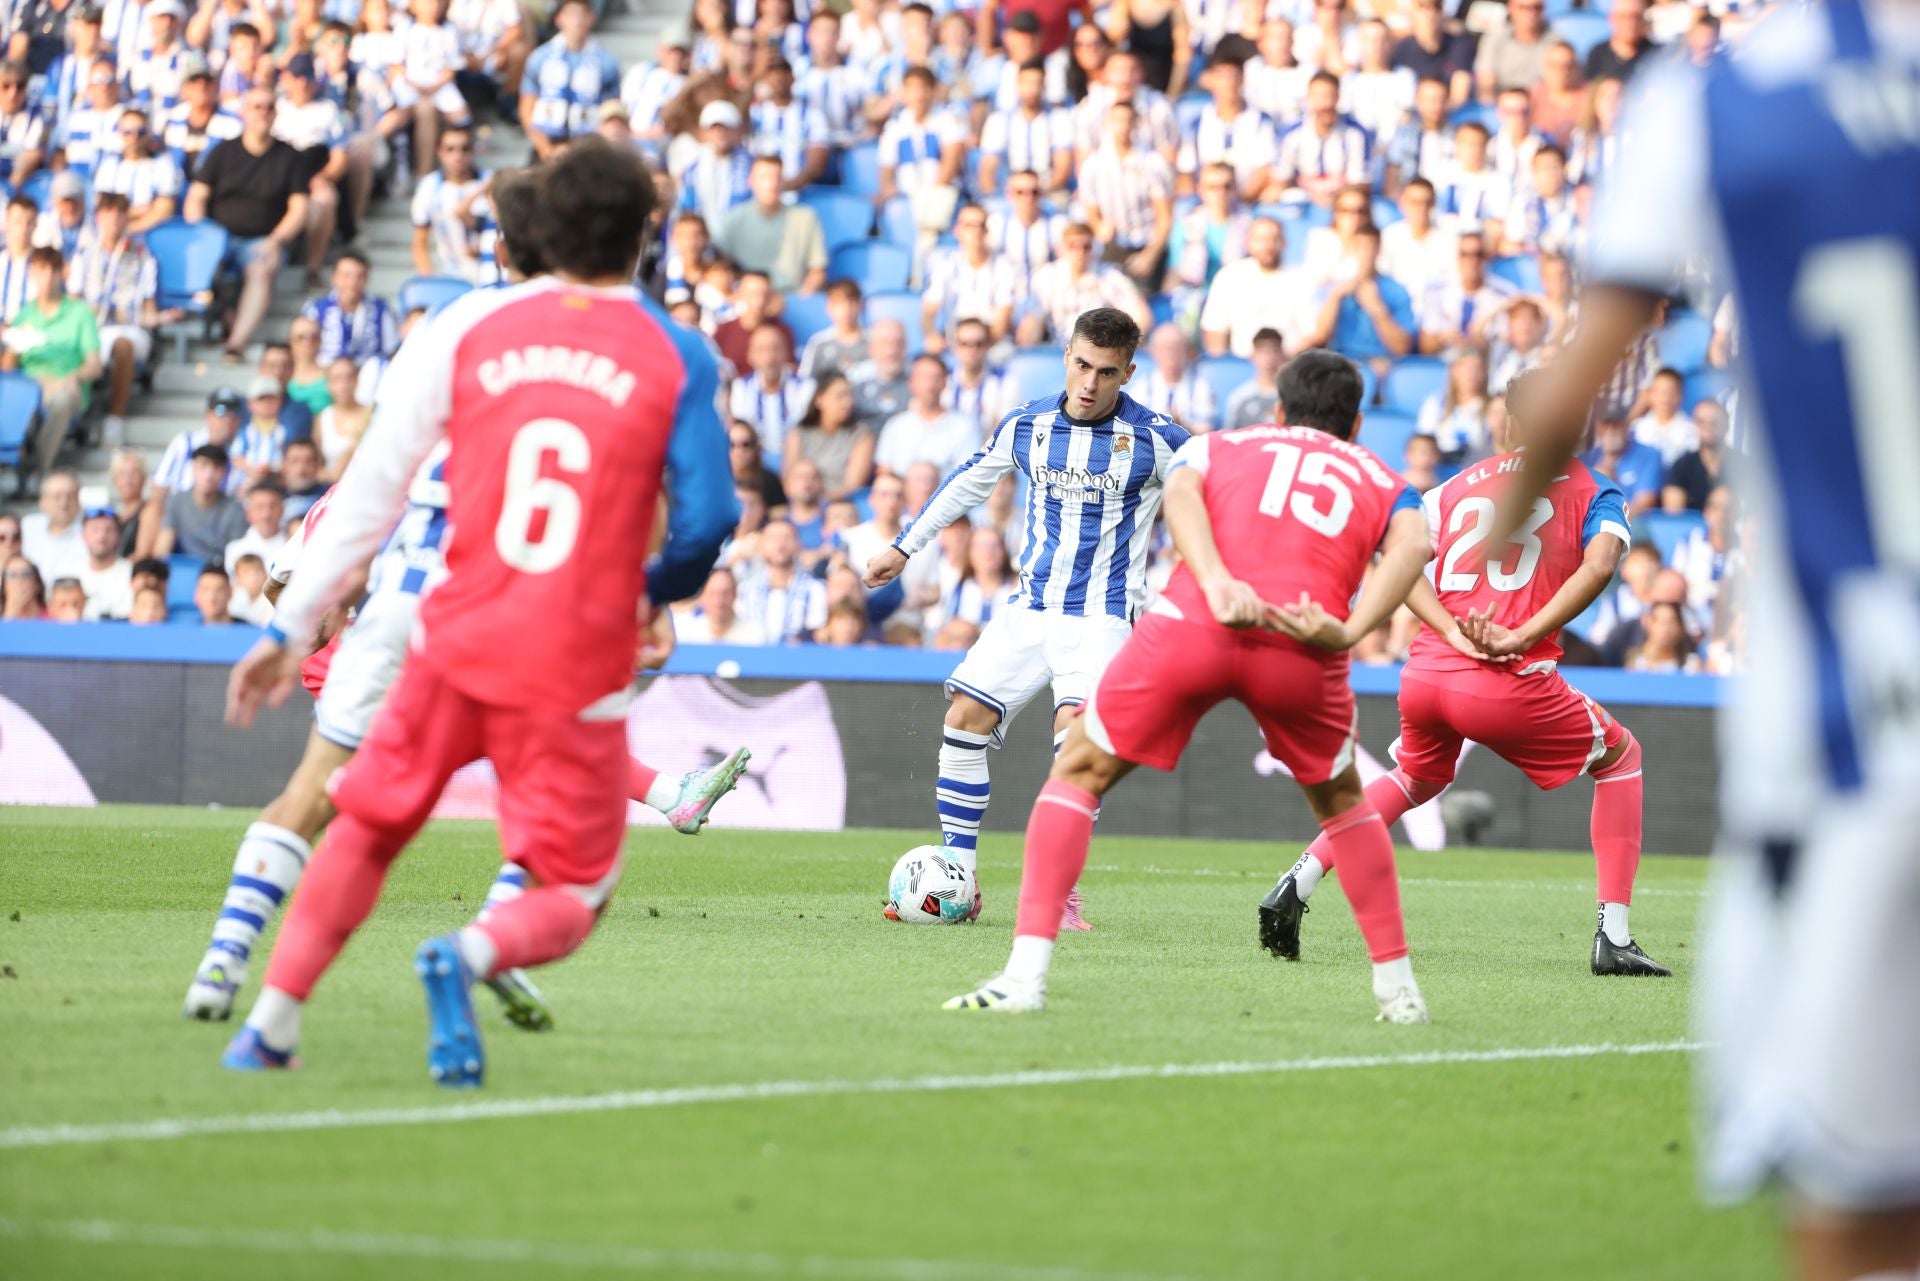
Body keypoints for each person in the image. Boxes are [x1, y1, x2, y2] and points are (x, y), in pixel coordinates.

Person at [1506, 6, 1920, 1273]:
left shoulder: (1707, 104)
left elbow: (1582, 376)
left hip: (1859, 717)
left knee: (1850, 1198)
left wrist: (1511, 507)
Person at [212, 143, 745, 1082]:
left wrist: (284, 631)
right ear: (644, 234)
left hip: (450, 635)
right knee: (578, 885)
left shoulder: (468, 329)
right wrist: (650, 590)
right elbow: (709, 521)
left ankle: (270, 1026)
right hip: (573, 654)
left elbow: (372, 485)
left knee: (367, 824)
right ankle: (465, 955)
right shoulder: (678, 352)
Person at [944, 349, 1431, 1020]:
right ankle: (1398, 992)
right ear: (1356, 424)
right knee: (1346, 806)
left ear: (1280, 410)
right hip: (1302, 639)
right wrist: (1349, 632)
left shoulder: (1219, 443)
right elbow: (1411, 547)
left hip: (1194, 624)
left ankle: (1024, 977)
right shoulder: (1379, 474)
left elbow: (1179, 493)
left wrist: (1217, 579)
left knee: (1078, 769)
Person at [1263, 368, 1667, 979]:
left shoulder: (1451, 488)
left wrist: (1451, 632)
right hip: (1507, 678)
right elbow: (1602, 562)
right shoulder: (1596, 487)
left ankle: (1300, 878)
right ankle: (1614, 936)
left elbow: (1397, 563)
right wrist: (1523, 635)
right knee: (1622, 758)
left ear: (1509, 419)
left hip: (1426, 676)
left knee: (1415, 778)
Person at [864, 308, 1190, 926]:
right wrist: (903, 548)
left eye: (1107, 372)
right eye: (1082, 365)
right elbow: (966, 483)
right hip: (1029, 609)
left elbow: (1221, 486)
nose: (1090, 383)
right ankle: (958, 879)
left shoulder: (1160, 438)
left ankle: (1058, 893)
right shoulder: (1028, 424)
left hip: (1101, 619)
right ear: (1066, 356)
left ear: (1129, 373)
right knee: (964, 717)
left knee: (1076, 739)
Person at [186, 87, 310, 363]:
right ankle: (222, 317)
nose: (262, 113)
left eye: (268, 107)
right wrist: (202, 232)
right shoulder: (222, 152)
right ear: (244, 112)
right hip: (219, 236)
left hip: (262, 239)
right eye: (256, 107)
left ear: (276, 113)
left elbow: (299, 207)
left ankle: (236, 342)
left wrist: (276, 240)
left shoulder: (289, 157)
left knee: (262, 266)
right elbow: (197, 196)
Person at [66, 191, 158, 449]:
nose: (114, 220)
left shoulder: (142, 255)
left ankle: (114, 419)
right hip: (90, 327)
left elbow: (149, 307)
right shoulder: (83, 255)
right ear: (98, 218)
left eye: (120, 213)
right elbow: (74, 302)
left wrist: (159, 318)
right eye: (108, 213)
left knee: (123, 344)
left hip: (128, 326)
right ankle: (75, 416)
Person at [6, 245, 101, 480]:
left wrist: (72, 377)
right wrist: (12, 343)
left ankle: (38, 470)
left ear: (62, 274)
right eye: (41, 271)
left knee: (62, 399)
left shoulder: (80, 313)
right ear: (32, 274)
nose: (47, 278)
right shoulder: (25, 315)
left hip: (66, 381)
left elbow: (94, 366)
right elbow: (7, 366)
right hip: (30, 383)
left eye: (52, 271)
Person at [713, 153, 826, 295]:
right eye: (764, 177)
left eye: (776, 177)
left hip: (790, 300)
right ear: (751, 180)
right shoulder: (733, 219)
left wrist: (800, 300)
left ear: (783, 181)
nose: (771, 184)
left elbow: (817, 270)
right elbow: (718, 266)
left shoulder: (805, 218)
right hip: (746, 300)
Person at [876, 354, 977, 479]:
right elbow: (884, 472)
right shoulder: (895, 426)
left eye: (936, 377)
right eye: (923, 378)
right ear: (911, 383)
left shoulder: (964, 426)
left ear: (945, 382)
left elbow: (968, 476)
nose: (930, 385)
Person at [784, 373, 873, 501]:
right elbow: (789, 478)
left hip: (844, 503)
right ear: (819, 399)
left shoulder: (861, 435)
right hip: (803, 502)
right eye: (840, 396)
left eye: (849, 395)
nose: (848, 402)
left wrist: (822, 502)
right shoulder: (798, 433)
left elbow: (853, 484)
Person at [302, 251, 400, 367]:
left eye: (360, 276)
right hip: (325, 375)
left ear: (367, 279)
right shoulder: (315, 308)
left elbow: (391, 350)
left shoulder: (382, 309)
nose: (352, 282)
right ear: (334, 278)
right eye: (346, 276)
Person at [156, 444, 250, 560]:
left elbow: (237, 556)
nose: (209, 474)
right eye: (203, 465)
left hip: (220, 572)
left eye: (216, 467)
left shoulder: (235, 509)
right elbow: (165, 542)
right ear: (193, 468)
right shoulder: (177, 501)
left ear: (225, 473)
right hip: (186, 568)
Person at [1580, 412, 1662, 516]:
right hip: (1594, 523)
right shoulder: (1588, 459)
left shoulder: (1648, 455)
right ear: (1598, 430)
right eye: (1606, 426)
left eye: (1616, 426)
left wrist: (1612, 485)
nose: (1610, 431)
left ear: (1627, 428)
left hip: (1632, 523)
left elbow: (1644, 503)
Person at [1662, 400, 1730, 513]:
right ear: (1694, 425)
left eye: (1715, 422)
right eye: (1702, 422)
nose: (1709, 427)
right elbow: (1674, 517)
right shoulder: (1681, 467)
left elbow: (1758, 514)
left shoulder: (1743, 466)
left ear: (1726, 424)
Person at [21, 467, 84, 578]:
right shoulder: (27, 527)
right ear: (42, 501)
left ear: (79, 499)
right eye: (57, 497)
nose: (63, 503)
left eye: (70, 496)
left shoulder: (93, 532)